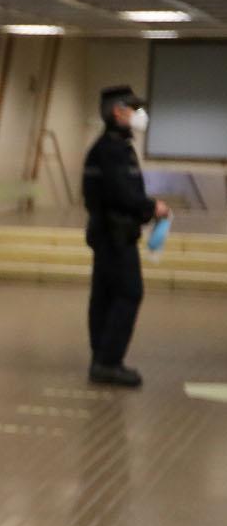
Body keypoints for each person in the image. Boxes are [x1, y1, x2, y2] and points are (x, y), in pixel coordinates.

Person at [83, 85, 168, 388]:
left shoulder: (107, 147)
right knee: (129, 292)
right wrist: (151, 207)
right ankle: (109, 362)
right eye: (132, 109)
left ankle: (100, 358)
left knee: (105, 296)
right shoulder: (113, 150)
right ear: (118, 112)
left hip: (107, 233)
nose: (137, 115)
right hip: (115, 235)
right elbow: (122, 194)